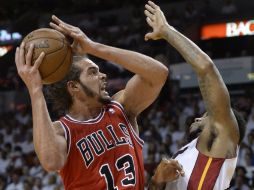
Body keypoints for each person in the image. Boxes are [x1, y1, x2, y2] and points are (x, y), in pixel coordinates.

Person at [15, 14, 171, 189]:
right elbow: (51, 162)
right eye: (93, 72)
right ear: (74, 87)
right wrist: (35, 90)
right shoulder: (62, 130)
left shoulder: (122, 108)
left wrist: (94, 47)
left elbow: (158, 73)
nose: (103, 76)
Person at [144, 1, 246, 190]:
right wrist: (157, 181)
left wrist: (167, 31)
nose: (199, 117)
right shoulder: (183, 154)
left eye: (206, 115)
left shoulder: (222, 137)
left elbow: (206, 69)